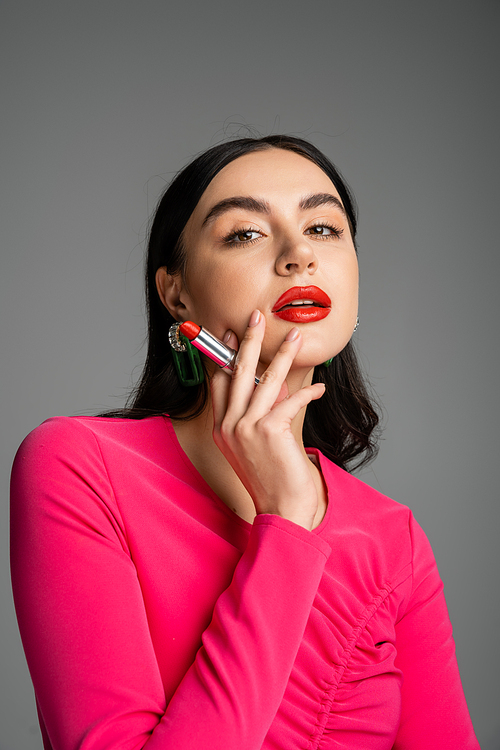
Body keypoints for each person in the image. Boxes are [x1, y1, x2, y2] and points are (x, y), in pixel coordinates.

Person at [10, 135, 479, 749]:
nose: (298, 256)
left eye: (324, 229)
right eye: (246, 234)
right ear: (176, 293)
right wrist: (285, 525)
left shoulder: (394, 538)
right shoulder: (78, 465)